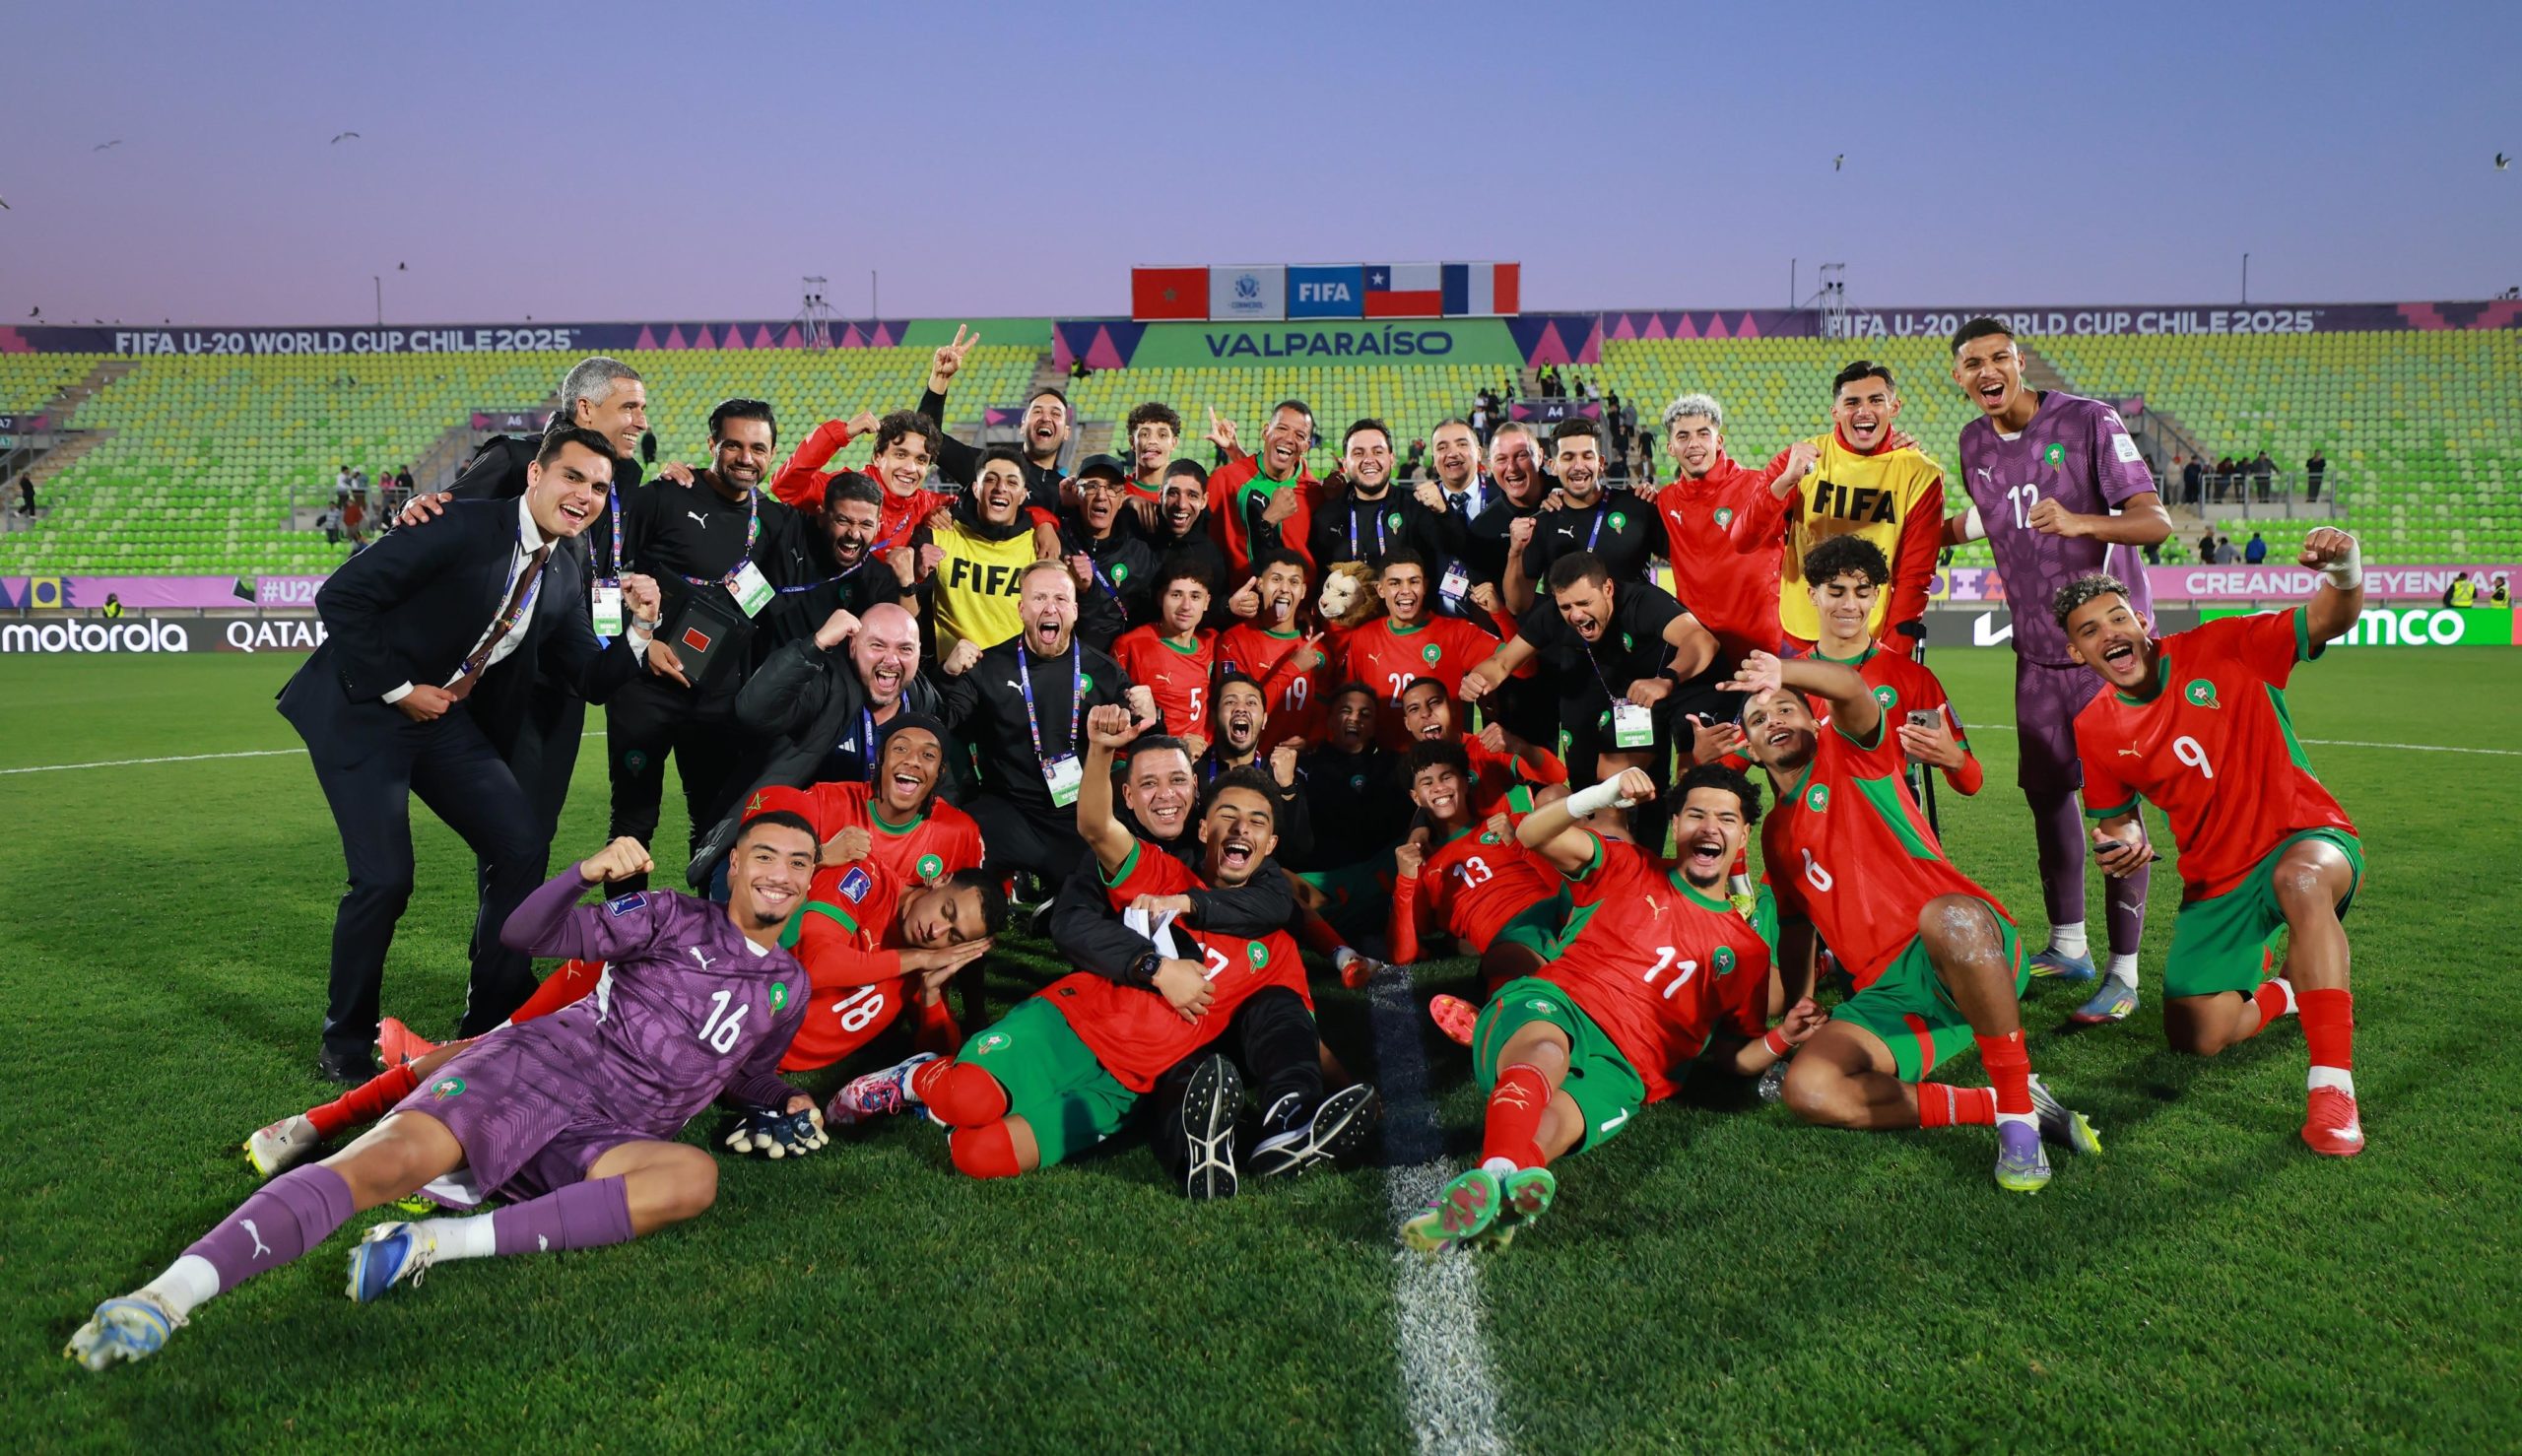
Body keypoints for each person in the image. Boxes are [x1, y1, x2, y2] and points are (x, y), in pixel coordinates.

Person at [67, 816, 827, 1370]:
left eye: (799, 863)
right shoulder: (667, 916)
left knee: (693, 1178)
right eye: (765, 856)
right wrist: (582, 875)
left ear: (810, 879)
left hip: (611, 1135)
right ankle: (165, 1297)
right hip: (539, 1072)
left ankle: (432, 1244)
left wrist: (786, 1098)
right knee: (384, 1164)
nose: (781, 874)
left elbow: (744, 1073)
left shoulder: (789, 986)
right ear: (734, 865)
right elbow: (527, 935)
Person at [276, 428, 662, 1079]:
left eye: (598, 487)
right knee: (385, 879)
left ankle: (490, 1020)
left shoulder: (565, 566)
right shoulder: (459, 524)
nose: (585, 495)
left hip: (437, 719)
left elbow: (589, 678)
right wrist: (399, 689)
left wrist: (643, 629)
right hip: (363, 709)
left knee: (521, 844)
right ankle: (344, 1043)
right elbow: (340, 595)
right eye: (572, 477)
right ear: (535, 474)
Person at [828, 718, 1315, 1184]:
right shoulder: (1157, 869)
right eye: (1149, 784)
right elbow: (1089, 857)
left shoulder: (1267, 918)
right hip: (1078, 1023)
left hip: (1128, 1084)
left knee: (977, 1155)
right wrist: (1155, 967)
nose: (1240, 830)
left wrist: (1332, 1083)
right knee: (967, 1099)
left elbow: (1291, 994)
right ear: (1205, 827)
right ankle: (916, 1077)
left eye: (1177, 781)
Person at [1725, 650, 2098, 1193]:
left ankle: (2017, 1117)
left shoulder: (1851, 754)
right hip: (1888, 994)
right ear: (1752, 750)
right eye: (1759, 719)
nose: (1774, 720)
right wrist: (1799, 1007)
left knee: (1946, 915)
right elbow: (1797, 931)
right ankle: (1998, 1103)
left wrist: (1782, 672)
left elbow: (1851, 688)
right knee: (1809, 1089)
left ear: (1815, 721)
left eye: (1786, 708)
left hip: (1963, 950)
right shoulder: (1775, 835)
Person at [2055, 528, 2370, 1155]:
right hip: (2216, 880)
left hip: (2304, 836)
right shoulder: (2094, 727)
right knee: (2196, 1035)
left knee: (2301, 881)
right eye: (2089, 630)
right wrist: (2122, 843)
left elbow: (2330, 618)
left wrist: (2344, 568)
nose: (2108, 633)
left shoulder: (2225, 645)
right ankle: (2289, 989)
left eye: (2117, 618)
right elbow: (2117, 820)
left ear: (2142, 621)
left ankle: (2333, 1091)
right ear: (2076, 653)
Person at [1400, 763, 1803, 1251]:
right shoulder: (1628, 865)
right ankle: (1498, 1168)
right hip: (1563, 1003)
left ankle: (1495, 1197)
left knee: (1557, 1125)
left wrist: (1784, 1037)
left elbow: (1732, 1057)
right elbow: (1532, 833)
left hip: (1629, 1067)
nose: (1710, 827)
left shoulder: (1748, 952)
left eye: (1726, 819)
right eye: (1697, 815)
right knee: (1546, 1051)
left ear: (1743, 836)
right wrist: (1604, 792)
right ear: (1675, 825)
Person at [1945, 318, 2171, 1022]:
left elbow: (2154, 522)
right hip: (2038, 654)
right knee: (2045, 794)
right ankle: (2069, 945)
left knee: (2115, 807)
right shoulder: (1973, 443)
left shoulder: (2087, 421)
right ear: (1959, 377)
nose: (1988, 371)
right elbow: (1989, 517)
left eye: (1999, 358)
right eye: (1973, 363)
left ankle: (2125, 973)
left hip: (2108, 656)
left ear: (2020, 362)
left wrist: (2082, 522)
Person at [604, 400, 820, 892]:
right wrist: (640, 642)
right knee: (633, 821)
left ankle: (708, 930)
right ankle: (624, 931)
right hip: (645, 690)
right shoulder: (663, 497)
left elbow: (844, 531)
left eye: (758, 448)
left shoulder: (776, 522)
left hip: (719, 699)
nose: (746, 457)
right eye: (733, 445)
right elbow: (604, 575)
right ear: (711, 445)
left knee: (713, 824)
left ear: (773, 454)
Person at [1460, 551, 1720, 851]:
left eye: (1584, 603)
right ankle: (1600, 865)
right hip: (1598, 702)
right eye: (1566, 606)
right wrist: (1478, 678)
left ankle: (1633, 864)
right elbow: (1503, 662)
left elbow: (1702, 640)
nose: (1576, 615)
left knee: (1614, 790)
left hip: (1654, 699)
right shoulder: (1553, 615)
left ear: (1607, 588)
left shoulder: (1642, 602)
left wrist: (1667, 679)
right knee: (1577, 796)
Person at [697, 600, 946, 884]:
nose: (891, 660)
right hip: (774, 843)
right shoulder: (824, 682)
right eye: (877, 645)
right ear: (853, 646)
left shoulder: (921, 703)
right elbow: (753, 710)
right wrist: (814, 646)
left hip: (862, 858)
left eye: (905, 649)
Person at [941, 560, 1149, 896]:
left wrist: (1152, 715)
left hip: (1077, 815)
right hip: (1006, 810)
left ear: (1075, 611)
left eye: (1060, 599)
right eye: (1039, 598)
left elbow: (1145, 738)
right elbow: (942, 723)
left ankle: (1050, 898)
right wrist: (947, 676)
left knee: (1099, 895)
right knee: (958, 849)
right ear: (1022, 610)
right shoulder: (987, 667)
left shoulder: (1105, 672)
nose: (1050, 607)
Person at [1779, 536, 1982, 800]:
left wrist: (1953, 759)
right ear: (1812, 595)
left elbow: (1971, 783)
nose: (1850, 605)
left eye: (1862, 593)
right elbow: (1736, 760)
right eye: (1836, 592)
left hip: (1889, 822)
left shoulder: (1912, 677)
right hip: (1811, 822)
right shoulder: (1786, 678)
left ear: (1875, 596)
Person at [1766, 362, 1945, 654]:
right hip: (1800, 630)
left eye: (1876, 400)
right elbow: (1749, 535)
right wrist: (1784, 482)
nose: (1864, 411)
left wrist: (1894, 652)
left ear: (1894, 407)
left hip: (1868, 636)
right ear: (1835, 411)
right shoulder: (1802, 460)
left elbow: (1915, 574)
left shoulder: (1920, 473)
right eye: (1852, 402)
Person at [1385, 740, 1566, 995]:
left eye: (1446, 777)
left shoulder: (1510, 824)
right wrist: (1405, 880)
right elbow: (1402, 956)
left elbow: (1563, 884)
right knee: (1511, 964)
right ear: (1415, 797)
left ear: (1464, 782)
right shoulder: (1423, 868)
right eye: (1427, 783)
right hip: (1510, 942)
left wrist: (1518, 844)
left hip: (1555, 915)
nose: (1438, 788)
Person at [746, 712, 986, 890]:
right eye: (901, 748)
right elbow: (754, 858)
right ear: (881, 757)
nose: (913, 760)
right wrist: (820, 856)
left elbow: (971, 909)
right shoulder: (826, 800)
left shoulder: (960, 832)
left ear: (940, 772)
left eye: (928, 755)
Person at [1652, 392, 1792, 663]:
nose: (1694, 444)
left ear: (1719, 441)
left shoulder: (1759, 486)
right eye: (1683, 436)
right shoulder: (1665, 500)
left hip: (1763, 648)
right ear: (1670, 447)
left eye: (1703, 434)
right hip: (1702, 650)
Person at [1340, 550, 1520, 747]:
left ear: (1425, 586)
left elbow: (1524, 666)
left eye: (1414, 581)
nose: (1406, 590)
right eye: (1395, 583)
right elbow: (1349, 705)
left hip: (1443, 758)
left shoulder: (1457, 633)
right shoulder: (1363, 637)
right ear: (1380, 589)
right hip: (1386, 759)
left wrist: (1499, 613)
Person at [903, 446, 1060, 660]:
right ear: (976, 489)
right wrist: (916, 575)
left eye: (1012, 482)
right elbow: (910, 615)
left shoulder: (1042, 545)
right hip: (954, 673)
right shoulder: (938, 534)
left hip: (1019, 674)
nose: (1000, 488)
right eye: (991, 480)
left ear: (1024, 495)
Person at [1511, 418, 1667, 616]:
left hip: (1633, 632)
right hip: (1570, 633)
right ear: (1553, 465)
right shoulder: (1542, 522)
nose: (1578, 466)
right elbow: (1517, 605)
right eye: (1568, 457)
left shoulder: (1638, 505)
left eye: (1587, 456)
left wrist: (1666, 501)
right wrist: (1514, 553)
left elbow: (1685, 559)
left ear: (1600, 463)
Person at [770, 408, 950, 566]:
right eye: (900, 455)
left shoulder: (929, 506)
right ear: (878, 457)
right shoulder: (845, 490)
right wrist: (841, 433)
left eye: (921, 460)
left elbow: (966, 505)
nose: (911, 468)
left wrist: (946, 515)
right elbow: (785, 486)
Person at [920, 325, 1069, 509]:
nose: (1045, 418)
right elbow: (927, 439)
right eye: (1037, 411)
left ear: (1066, 432)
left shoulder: (1069, 495)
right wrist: (940, 379)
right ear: (1022, 426)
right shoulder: (987, 466)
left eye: (1055, 413)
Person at [1218, 549, 1331, 746]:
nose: (1285, 589)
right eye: (1276, 579)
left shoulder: (1316, 650)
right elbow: (1240, 712)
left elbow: (1324, 712)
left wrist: (1309, 741)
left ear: (1303, 591)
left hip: (1298, 761)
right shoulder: (1234, 641)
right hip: (1250, 758)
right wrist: (1293, 668)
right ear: (1260, 584)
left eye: (1294, 582)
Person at [1307, 418, 1445, 573]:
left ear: (1391, 459)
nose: (1368, 460)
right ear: (1344, 464)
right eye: (1358, 453)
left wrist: (1444, 513)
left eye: (1378, 452)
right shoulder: (1325, 517)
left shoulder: (1417, 509)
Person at [1110, 558, 1219, 744]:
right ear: (1161, 598)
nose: (1186, 606)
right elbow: (1115, 716)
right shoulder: (1132, 646)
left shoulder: (1214, 642)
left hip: (1205, 757)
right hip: (1151, 754)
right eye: (1176, 595)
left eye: (1195, 597)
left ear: (1207, 602)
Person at [1056, 454, 1159, 647]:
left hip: (1113, 658)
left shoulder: (1139, 552)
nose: (1101, 496)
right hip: (1059, 656)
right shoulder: (1055, 539)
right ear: (1076, 493)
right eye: (1092, 486)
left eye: (1111, 488)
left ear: (1121, 499)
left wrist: (1088, 590)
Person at [1208, 400, 1319, 576]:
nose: (1289, 439)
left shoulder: (1315, 493)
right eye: (1281, 428)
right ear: (1266, 432)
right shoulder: (1225, 479)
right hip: (1241, 592)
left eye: (1299, 435)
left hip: (1300, 594)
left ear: (1306, 446)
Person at [1123, 401, 1184, 501]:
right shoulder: (1116, 491)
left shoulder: (1191, 489)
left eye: (1162, 435)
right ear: (1132, 442)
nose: (1152, 441)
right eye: (1144, 434)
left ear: (1174, 443)